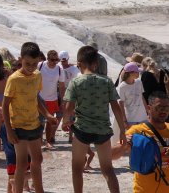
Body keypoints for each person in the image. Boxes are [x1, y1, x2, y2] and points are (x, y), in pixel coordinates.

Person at [61, 45, 125, 193]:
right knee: (108, 169)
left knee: (77, 167)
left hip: (82, 130)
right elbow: (116, 107)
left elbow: (69, 108)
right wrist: (122, 130)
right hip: (103, 130)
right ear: (96, 63)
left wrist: (65, 121)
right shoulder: (107, 82)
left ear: (79, 63)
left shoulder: (76, 82)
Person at [3, 42, 57, 193]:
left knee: (37, 160)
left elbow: (36, 98)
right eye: (27, 63)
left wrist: (47, 114)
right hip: (18, 126)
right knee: (21, 162)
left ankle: (39, 189)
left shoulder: (37, 76)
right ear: (21, 59)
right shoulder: (13, 79)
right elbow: (5, 105)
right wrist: (9, 130)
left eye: (34, 64)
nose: (31, 67)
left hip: (34, 124)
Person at [112, 92, 169, 192]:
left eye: (166, 108)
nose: (163, 111)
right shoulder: (136, 131)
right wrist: (123, 144)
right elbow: (112, 154)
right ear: (149, 108)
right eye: (159, 107)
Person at [38, 49, 65, 148]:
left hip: (52, 99)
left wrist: (62, 101)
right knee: (39, 121)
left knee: (50, 121)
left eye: (56, 60)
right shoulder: (40, 65)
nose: (54, 62)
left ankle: (48, 141)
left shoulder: (59, 69)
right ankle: (40, 140)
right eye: (52, 60)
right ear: (48, 58)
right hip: (40, 97)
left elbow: (62, 86)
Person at [117, 62, 148, 130]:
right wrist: (124, 120)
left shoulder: (139, 82)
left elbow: (142, 97)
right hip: (131, 119)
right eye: (137, 72)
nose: (138, 73)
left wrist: (148, 111)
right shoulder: (122, 87)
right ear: (131, 73)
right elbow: (121, 104)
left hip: (143, 117)